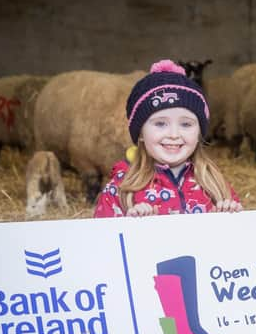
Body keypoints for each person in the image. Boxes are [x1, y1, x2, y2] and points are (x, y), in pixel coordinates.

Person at [94, 59, 242, 217]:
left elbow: (238, 237)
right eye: (160, 124)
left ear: (199, 132)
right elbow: (103, 238)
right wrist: (132, 226)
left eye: (186, 124)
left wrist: (229, 215)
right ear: (141, 134)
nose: (174, 134)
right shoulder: (122, 188)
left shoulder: (214, 183)